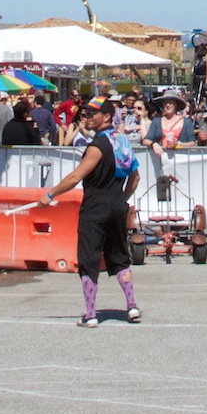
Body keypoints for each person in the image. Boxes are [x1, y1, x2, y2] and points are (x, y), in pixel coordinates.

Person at [40, 99, 142, 327]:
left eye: (92, 114)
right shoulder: (122, 142)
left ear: (106, 117)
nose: (86, 117)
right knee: (119, 255)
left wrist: (50, 195)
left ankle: (90, 314)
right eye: (85, 113)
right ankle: (132, 305)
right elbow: (135, 178)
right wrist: (121, 200)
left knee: (89, 257)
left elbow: (76, 176)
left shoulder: (97, 146)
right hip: (116, 205)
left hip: (96, 206)